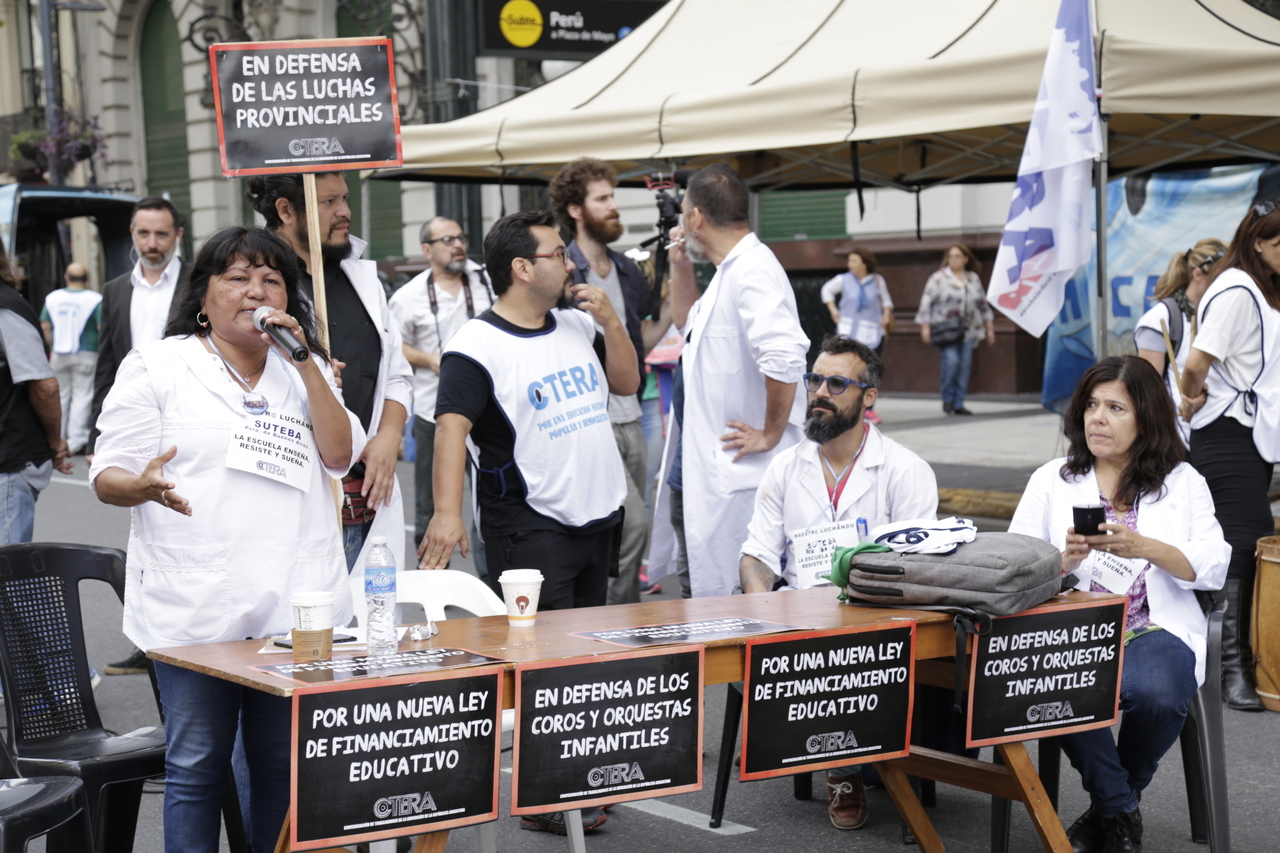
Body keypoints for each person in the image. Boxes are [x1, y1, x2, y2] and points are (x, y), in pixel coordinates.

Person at [88, 227, 363, 853]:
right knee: (196, 765)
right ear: (204, 296)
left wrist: (306, 362)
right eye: (238, 278)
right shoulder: (158, 365)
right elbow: (107, 477)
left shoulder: (305, 368)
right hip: (196, 607)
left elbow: (339, 455)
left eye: (271, 280)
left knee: (279, 762)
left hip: (291, 605)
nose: (256, 292)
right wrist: (143, 485)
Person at [418, 210, 636, 835]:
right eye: (558, 253)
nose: (570, 262)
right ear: (521, 268)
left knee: (586, 656)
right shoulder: (475, 345)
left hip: (597, 515)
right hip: (530, 520)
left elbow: (627, 383)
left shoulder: (577, 324)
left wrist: (612, 323)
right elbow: (451, 430)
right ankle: (546, 798)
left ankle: (578, 775)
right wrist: (447, 513)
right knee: (543, 662)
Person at [1010, 356, 1229, 853]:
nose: (1097, 418)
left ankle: (1109, 808)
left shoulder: (1183, 482)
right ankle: (1118, 809)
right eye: (1091, 405)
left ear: (1146, 419)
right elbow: (1016, 564)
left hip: (1151, 625)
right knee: (1056, 684)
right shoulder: (1052, 479)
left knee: (1159, 693)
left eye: (1115, 408)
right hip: (1070, 627)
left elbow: (1215, 564)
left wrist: (1144, 547)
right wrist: (1063, 561)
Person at [739, 334, 937, 831]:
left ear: (869, 396)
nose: (820, 393)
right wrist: (763, 612)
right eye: (814, 380)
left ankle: (844, 766)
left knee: (844, 649)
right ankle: (842, 760)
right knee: (800, 645)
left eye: (836, 384)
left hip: (876, 614)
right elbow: (757, 555)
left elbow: (916, 567)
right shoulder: (786, 467)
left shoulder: (905, 470)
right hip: (798, 616)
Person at [649, 164, 810, 599]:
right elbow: (687, 323)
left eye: (684, 213)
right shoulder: (729, 270)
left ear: (695, 218)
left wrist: (770, 432)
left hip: (736, 472)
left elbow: (784, 354)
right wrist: (681, 265)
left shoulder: (752, 269)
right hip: (699, 463)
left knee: (732, 605)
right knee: (705, 589)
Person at [247, 173, 412, 576]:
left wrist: (388, 438)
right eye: (329, 202)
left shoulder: (363, 280)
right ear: (286, 210)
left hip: (369, 506)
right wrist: (311, 378)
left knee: (375, 614)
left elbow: (397, 375)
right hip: (294, 512)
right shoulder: (255, 287)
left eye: (345, 198)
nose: (345, 212)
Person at [1179, 199, 1280, 712]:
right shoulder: (1238, 288)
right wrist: (1190, 397)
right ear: (1257, 243)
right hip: (1226, 431)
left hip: (1249, 433)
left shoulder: (1261, 287)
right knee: (1241, 540)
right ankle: (1229, 667)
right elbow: (1196, 362)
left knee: (1246, 535)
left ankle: (1237, 661)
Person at [551, 157, 655, 604]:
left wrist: (680, 276)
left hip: (634, 412)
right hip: (592, 417)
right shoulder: (562, 271)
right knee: (633, 528)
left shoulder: (627, 269)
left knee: (625, 530)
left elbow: (640, 341)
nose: (613, 206)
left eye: (613, 197)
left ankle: (615, 618)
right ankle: (614, 622)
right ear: (576, 210)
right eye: (602, 199)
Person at [388, 216, 493, 576]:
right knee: (432, 508)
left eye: (461, 237)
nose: (458, 244)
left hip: (489, 412)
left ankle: (495, 589)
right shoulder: (408, 297)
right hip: (433, 412)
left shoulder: (486, 280)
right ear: (427, 250)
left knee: (491, 503)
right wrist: (428, 359)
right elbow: (394, 345)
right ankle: (434, 589)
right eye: (447, 239)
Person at [90, 197, 189, 456]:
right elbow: (106, 366)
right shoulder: (114, 290)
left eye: (162, 234)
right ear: (132, 232)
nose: (152, 243)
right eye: (144, 233)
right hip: (130, 417)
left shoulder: (198, 284)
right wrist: (94, 438)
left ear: (178, 234)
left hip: (184, 413)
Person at [1, 241, 73, 544]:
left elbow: (44, 387)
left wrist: (54, 442)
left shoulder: (6, 308)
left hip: (8, 464)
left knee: (7, 569)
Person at [1133, 239, 1225, 447]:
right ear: (1198, 275)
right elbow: (1147, 390)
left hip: (1214, 433)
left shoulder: (1218, 315)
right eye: (1221, 278)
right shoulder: (1160, 319)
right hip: (1176, 440)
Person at [914, 244, 995, 415]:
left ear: (965, 258)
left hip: (969, 329)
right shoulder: (939, 278)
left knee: (965, 365)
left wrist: (990, 328)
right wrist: (925, 326)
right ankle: (948, 399)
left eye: (958, 256)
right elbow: (925, 303)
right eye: (951, 256)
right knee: (952, 362)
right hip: (946, 329)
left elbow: (982, 304)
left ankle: (959, 402)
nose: (954, 260)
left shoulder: (973, 278)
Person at [820, 246, 892, 425]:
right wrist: (833, 310)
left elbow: (886, 301)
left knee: (870, 371)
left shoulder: (877, 281)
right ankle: (846, 406)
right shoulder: (843, 279)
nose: (850, 264)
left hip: (871, 332)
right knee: (847, 370)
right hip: (849, 332)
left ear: (864, 264)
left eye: (854, 261)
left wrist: (886, 315)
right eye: (849, 260)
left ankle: (868, 409)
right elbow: (826, 290)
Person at [39, 262, 102, 455]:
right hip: (87, 352)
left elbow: (45, 326)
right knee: (82, 396)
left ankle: (58, 437)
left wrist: (52, 345)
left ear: (66, 278)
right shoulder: (95, 299)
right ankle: (76, 440)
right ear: (87, 278)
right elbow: (101, 328)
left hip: (59, 354)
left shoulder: (53, 298)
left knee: (60, 396)